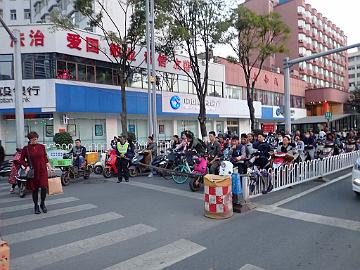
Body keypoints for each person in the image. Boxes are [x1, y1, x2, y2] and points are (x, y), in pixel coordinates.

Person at [19, 132, 54, 214]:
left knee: (44, 187)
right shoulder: (26, 148)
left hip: (42, 170)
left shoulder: (42, 147)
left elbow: (45, 158)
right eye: (34, 139)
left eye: (36, 139)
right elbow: (21, 160)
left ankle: (42, 203)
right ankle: (36, 205)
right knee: (35, 189)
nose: (36, 140)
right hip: (33, 171)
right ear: (30, 139)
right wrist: (26, 166)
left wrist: (50, 167)